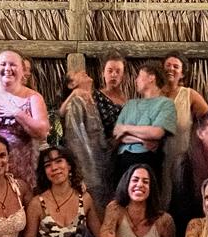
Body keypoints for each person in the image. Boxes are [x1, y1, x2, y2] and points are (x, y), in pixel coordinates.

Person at [0, 49, 50, 188]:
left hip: (22, 170)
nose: (7, 68)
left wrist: (17, 113)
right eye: (3, 64)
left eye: (13, 65)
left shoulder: (33, 97)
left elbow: (42, 132)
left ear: (23, 71)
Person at [113, 61, 176, 203]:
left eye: (139, 76)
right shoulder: (130, 104)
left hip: (148, 159)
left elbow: (156, 133)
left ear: (151, 77)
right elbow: (117, 133)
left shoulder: (166, 104)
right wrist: (142, 139)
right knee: (122, 202)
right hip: (122, 160)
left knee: (147, 203)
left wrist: (126, 128)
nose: (136, 80)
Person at [160, 53, 208, 210]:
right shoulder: (152, 93)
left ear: (182, 73)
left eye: (176, 66)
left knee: (180, 204)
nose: (171, 69)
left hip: (181, 162)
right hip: (157, 161)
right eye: (168, 65)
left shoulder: (189, 95)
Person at [58, 68, 110, 211]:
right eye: (76, 73)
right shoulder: (76, 102)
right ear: (71, 85)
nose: (82, 71)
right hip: (89, 170)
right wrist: (88, 174)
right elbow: (76, 142)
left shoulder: (91, 100)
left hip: (100, 166)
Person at [94, 51, 128, 140]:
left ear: (123, 76)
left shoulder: (127, 100)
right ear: (103, 73)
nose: (113, 74)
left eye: (118, 71)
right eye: (110, 71)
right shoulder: (96, 97)